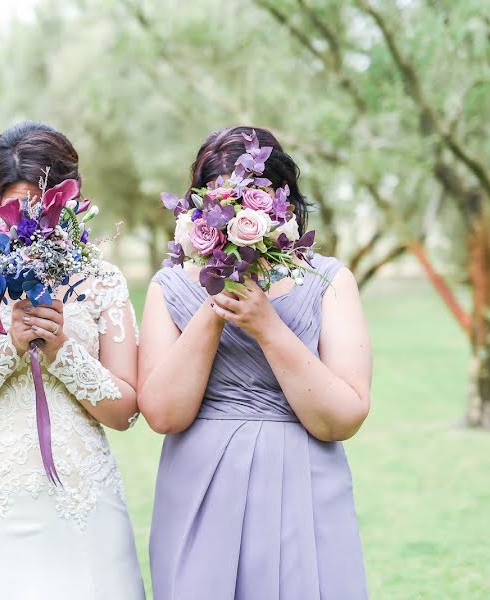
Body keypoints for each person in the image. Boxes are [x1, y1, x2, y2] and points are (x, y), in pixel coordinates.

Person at [140, 126, 371, 599]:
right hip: (201, 486)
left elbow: (343, 418)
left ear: (281, 205)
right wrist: (216, 301)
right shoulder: (169, 287)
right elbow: (163, 414)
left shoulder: (330, 281)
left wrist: (267, 326)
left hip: (303, 482)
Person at [0, 121, 146, 599]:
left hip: (82, 508)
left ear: (69, 200)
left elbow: (125, 411)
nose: (24, 222)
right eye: (10, 209)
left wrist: (61, 349)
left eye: (38, 208)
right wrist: (9, 349)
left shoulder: (102, 282)